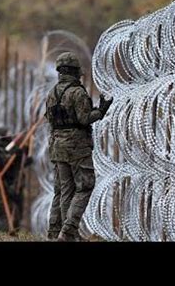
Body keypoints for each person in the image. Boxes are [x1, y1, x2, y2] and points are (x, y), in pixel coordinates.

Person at [45, 52, 112, 241]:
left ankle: (56, 232)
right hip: (76, 146)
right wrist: (100, 111)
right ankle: (68, 231)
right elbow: (84, 119)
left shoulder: (53, 93)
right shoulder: (77, 92)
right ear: (75, 72)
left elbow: (49, 119)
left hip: (57, 144)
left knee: (64, 190)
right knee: (85, 186)